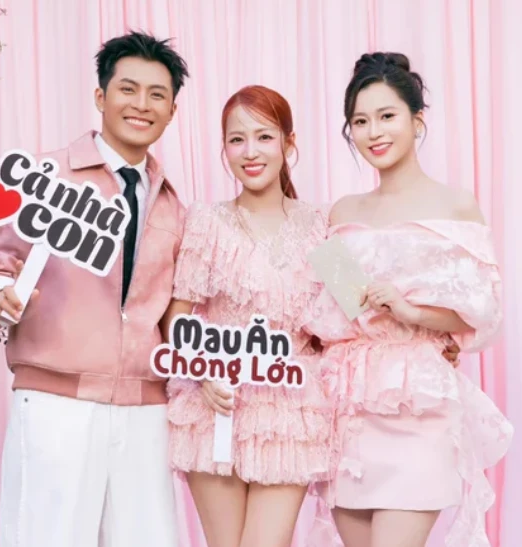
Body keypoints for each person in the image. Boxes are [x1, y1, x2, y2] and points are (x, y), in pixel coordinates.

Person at [0, 31, 189, 547]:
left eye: (157, 94)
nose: (142, 104)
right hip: (55, 401)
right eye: (128, 89)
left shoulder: (172, 204)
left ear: (172, 111)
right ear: (100, 96)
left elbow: (171, 310)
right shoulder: (45, 176)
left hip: (145, 409)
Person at [307, 52, 514, 547]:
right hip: (350, 413)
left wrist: (411, 311)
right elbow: (331, 317)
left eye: (386, 116)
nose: (373, 132)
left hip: (417, 408)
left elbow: (483, 310)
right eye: (360, 121)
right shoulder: (341, 213)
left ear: (417, 120)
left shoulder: (455, 205)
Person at [158, 85, 333, 547]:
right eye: (237, 140)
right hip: (216, 405)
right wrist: (201, 368)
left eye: (264, 137)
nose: (250, 152)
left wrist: (432, 334)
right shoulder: (206, 221)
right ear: (224, 149)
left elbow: (358, 308)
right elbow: (178, 315)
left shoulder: (322, 224)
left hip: (290, 411)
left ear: (289, 143)